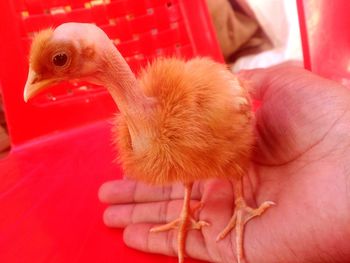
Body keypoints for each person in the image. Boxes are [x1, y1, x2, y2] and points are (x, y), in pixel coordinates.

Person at [98, 65, 350, 263]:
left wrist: (339, 148)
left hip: (223, 105)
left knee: (226, 153)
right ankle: (186, 209)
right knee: (180, 155)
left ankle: (240, 203)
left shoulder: (218, 96)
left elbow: (236, 106)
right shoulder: (139, 122)